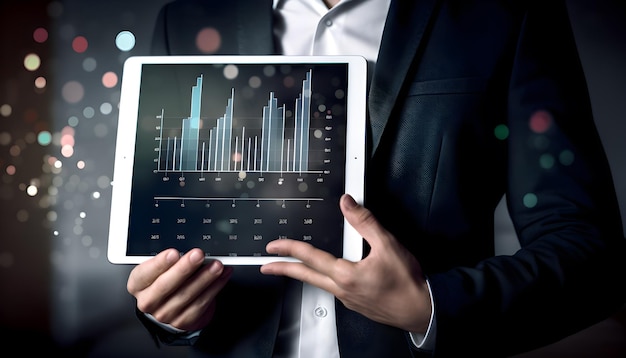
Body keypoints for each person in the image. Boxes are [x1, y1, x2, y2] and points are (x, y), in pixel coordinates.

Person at [126, 0, 626, 357]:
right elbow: (162, 232)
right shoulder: (187, 18)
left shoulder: (504, 12)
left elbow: (589, 254)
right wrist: (169, 315)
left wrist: (430, 307)